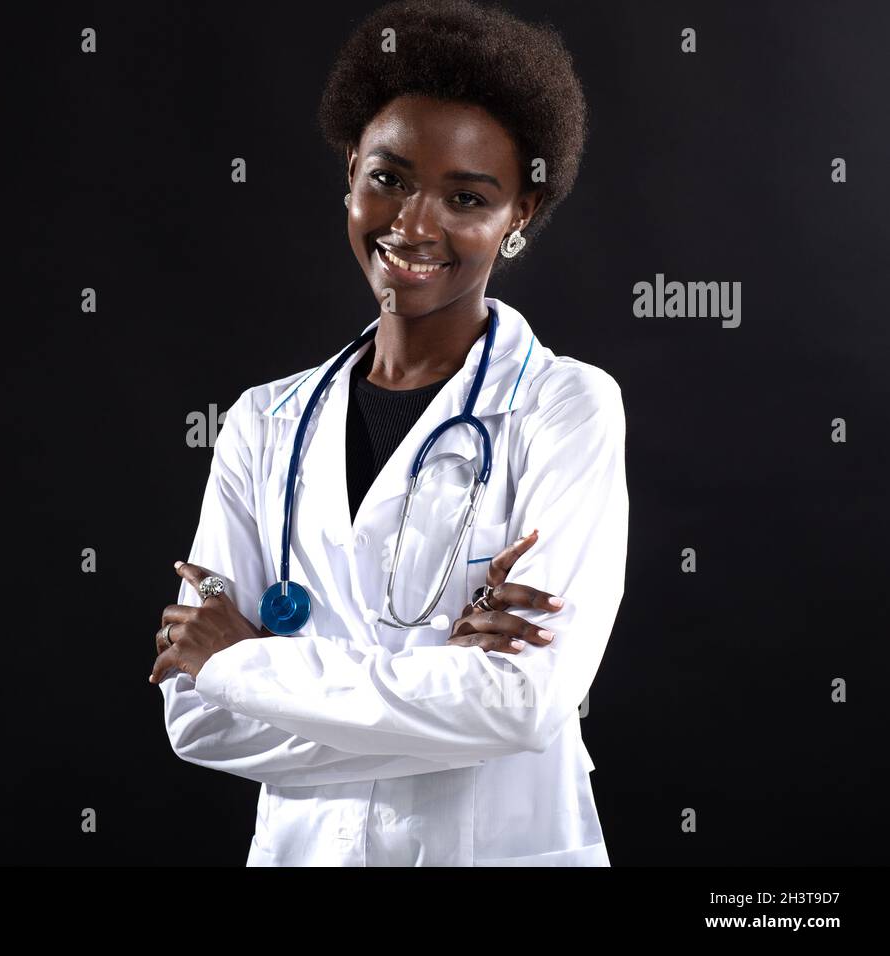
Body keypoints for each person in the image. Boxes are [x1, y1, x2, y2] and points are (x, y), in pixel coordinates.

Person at [151, 0, 627, 866]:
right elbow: (196, 714)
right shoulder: (264, 424)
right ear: (350, 168)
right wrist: (448, 694)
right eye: (390, 177)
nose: (412, 224)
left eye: (467, 197)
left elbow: (525, 704)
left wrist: (251, 664)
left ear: (520, 213)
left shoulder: (565, 407)